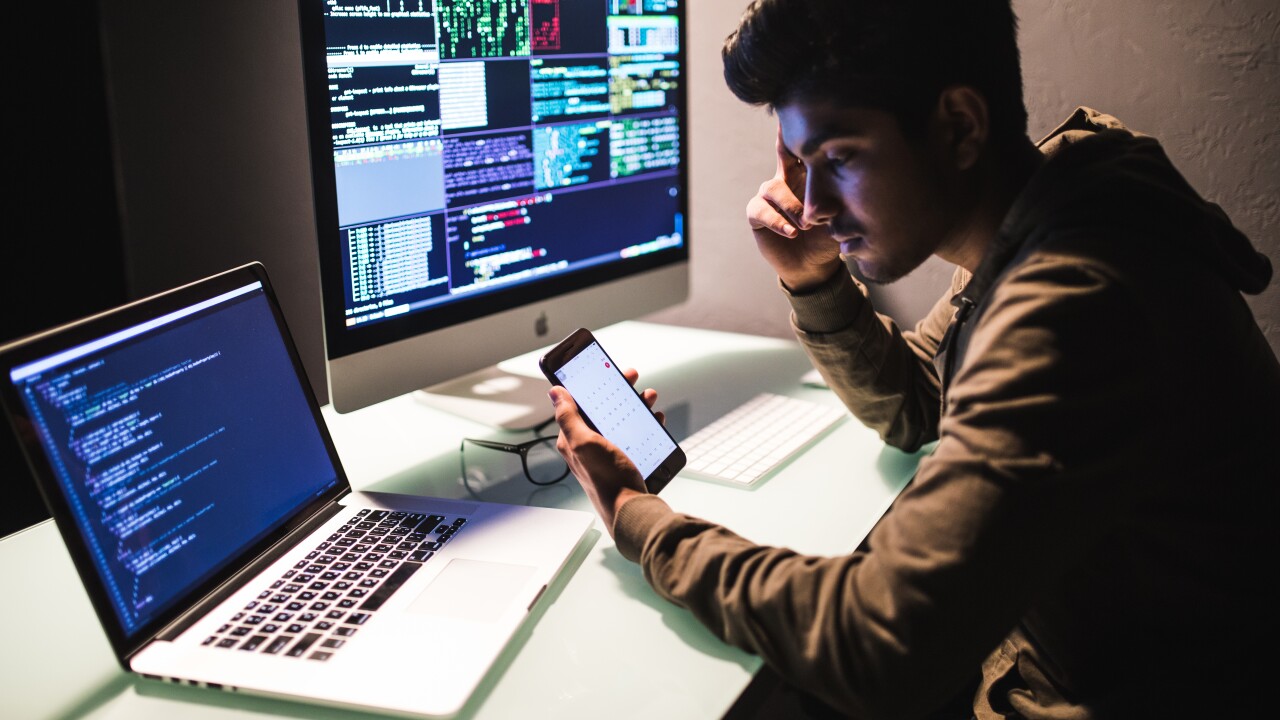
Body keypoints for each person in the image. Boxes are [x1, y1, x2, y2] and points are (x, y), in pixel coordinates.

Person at [547, 1, 1280, 717]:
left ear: (960, 126)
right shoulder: (1052, 198)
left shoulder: (1073, 299)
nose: (811, 208)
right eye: (805, 164)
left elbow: (876, 645)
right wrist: (816, 277)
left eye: (839, 159)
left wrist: (637, 518)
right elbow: (920, 405)